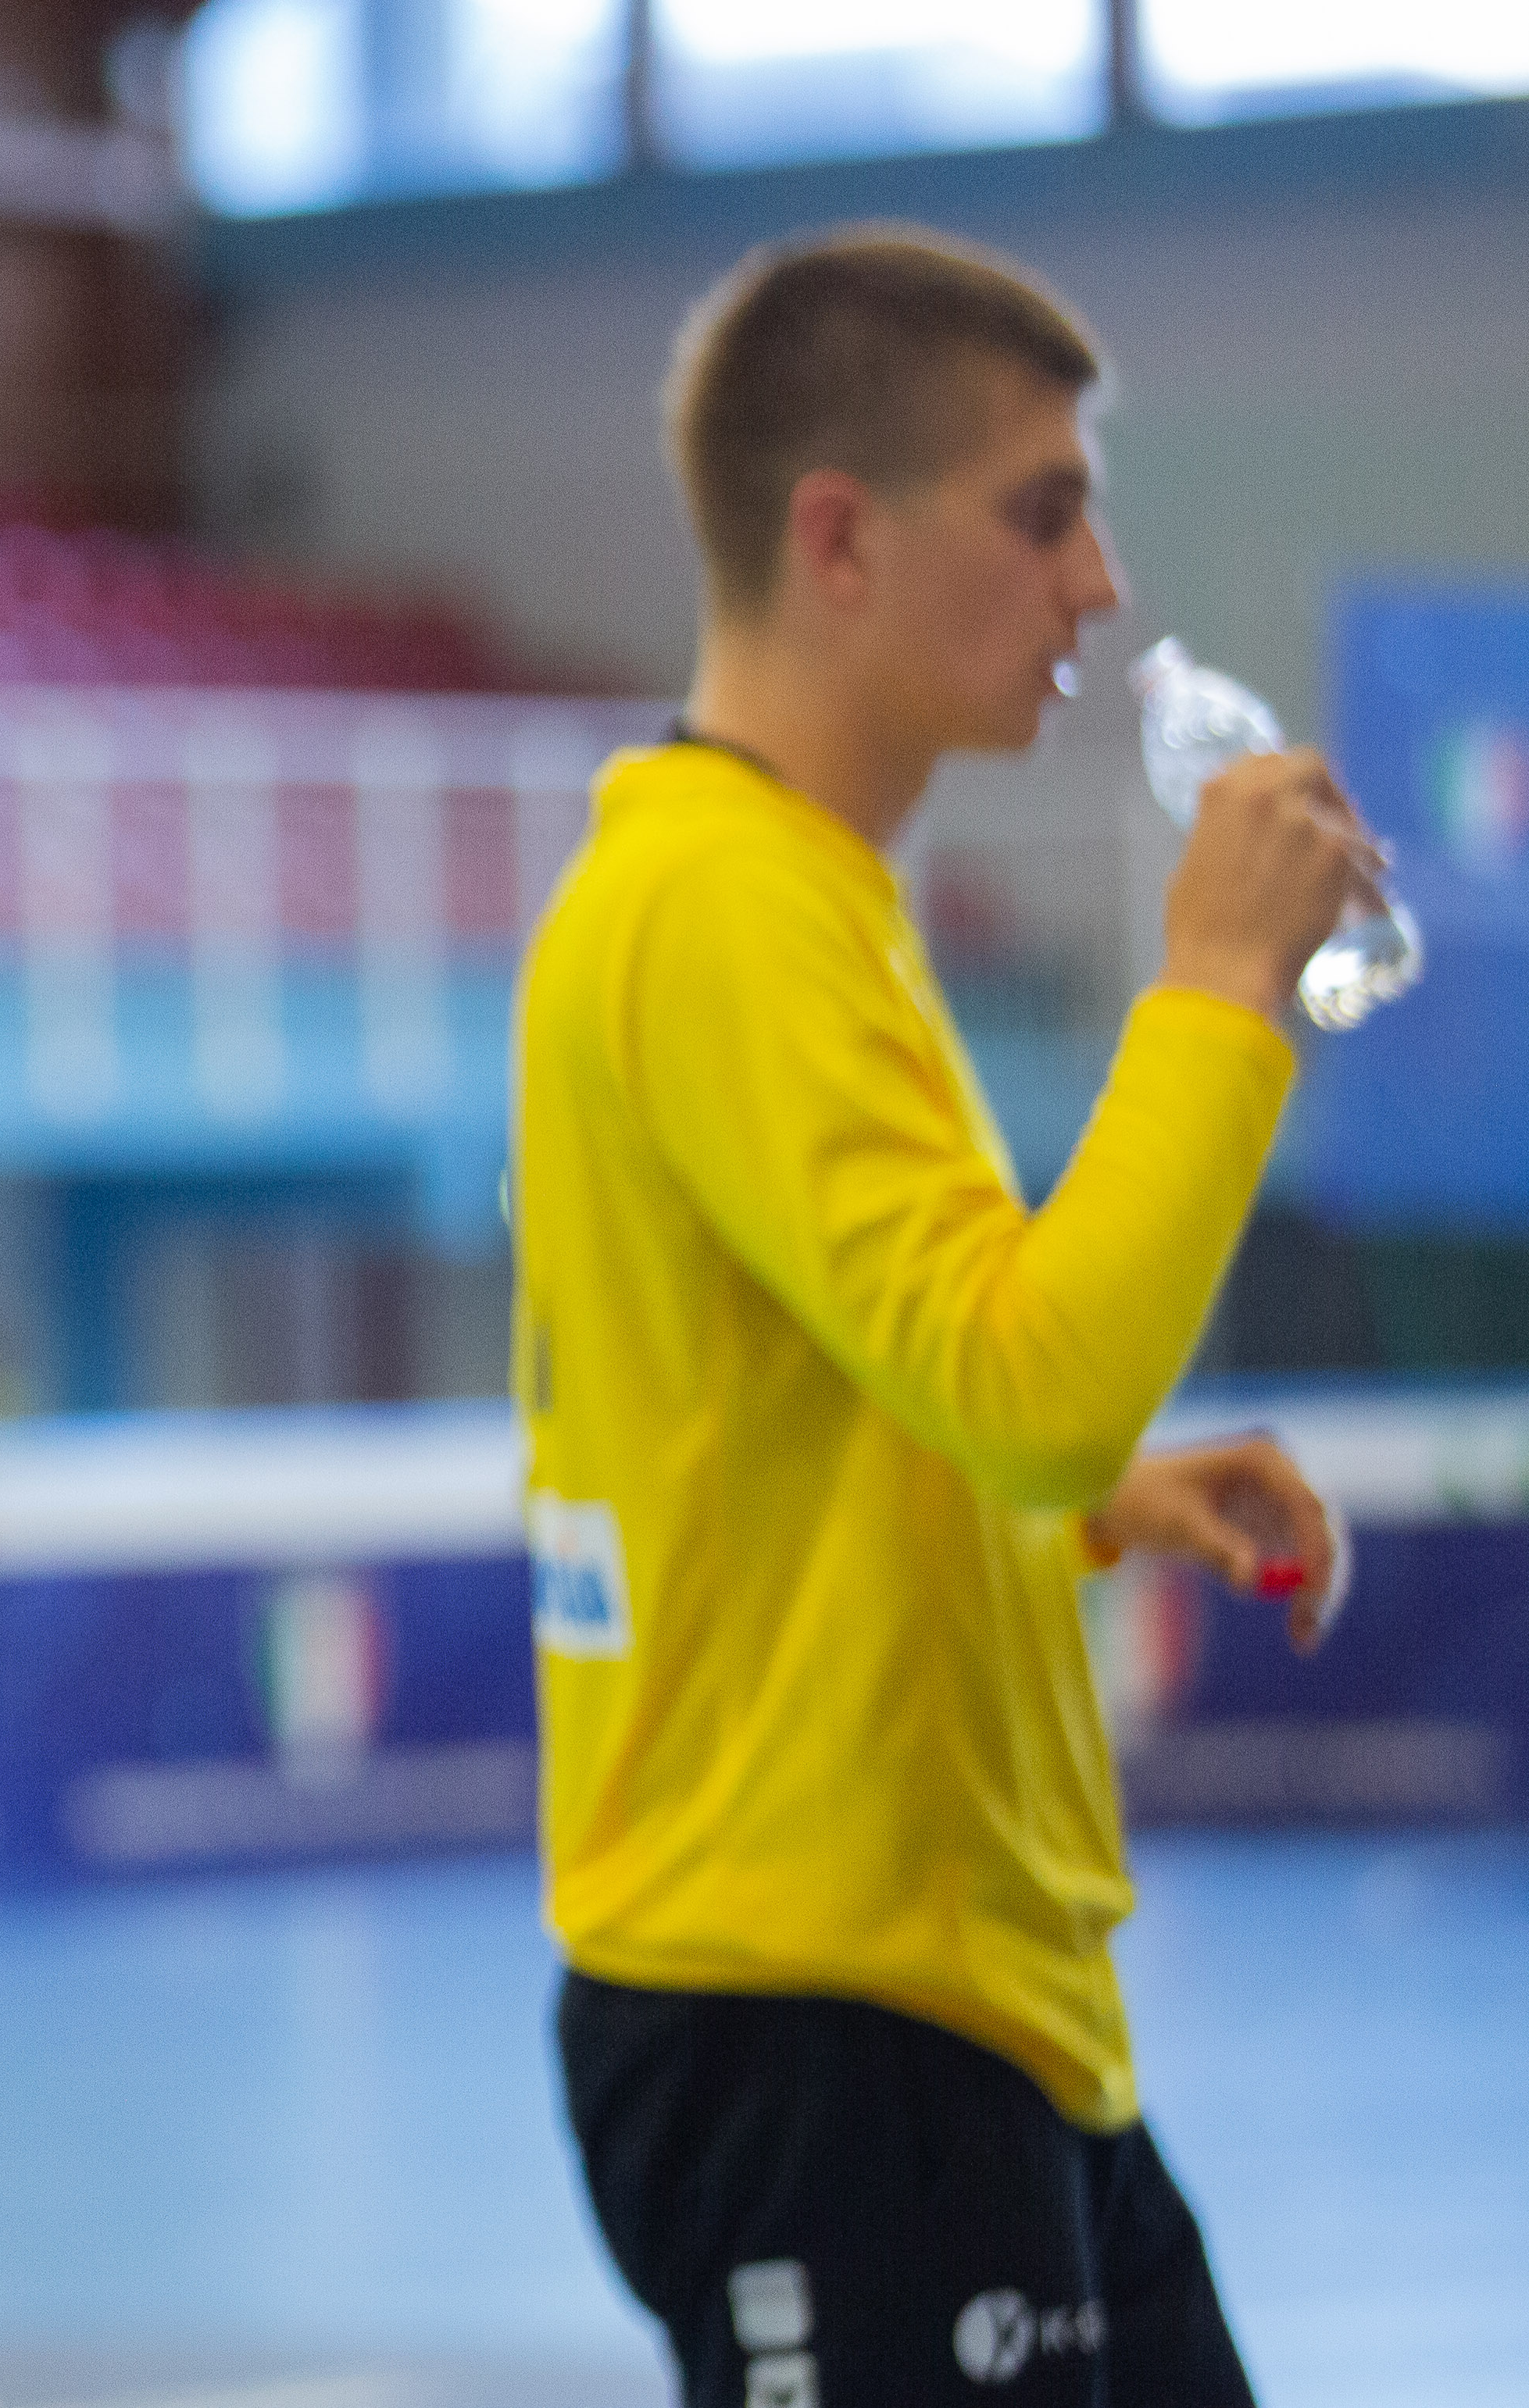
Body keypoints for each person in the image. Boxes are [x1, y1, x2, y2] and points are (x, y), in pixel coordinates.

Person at [513, 226, 1380, 2406]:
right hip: (821, 2023)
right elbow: (1021, 1384)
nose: (1098, 580)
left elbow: (861, 1392)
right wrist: (1214, 986)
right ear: (838, 538)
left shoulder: (801, 898)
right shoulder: (716, 908)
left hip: (961, 2013)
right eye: (1042, 506)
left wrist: (1098, 1506)